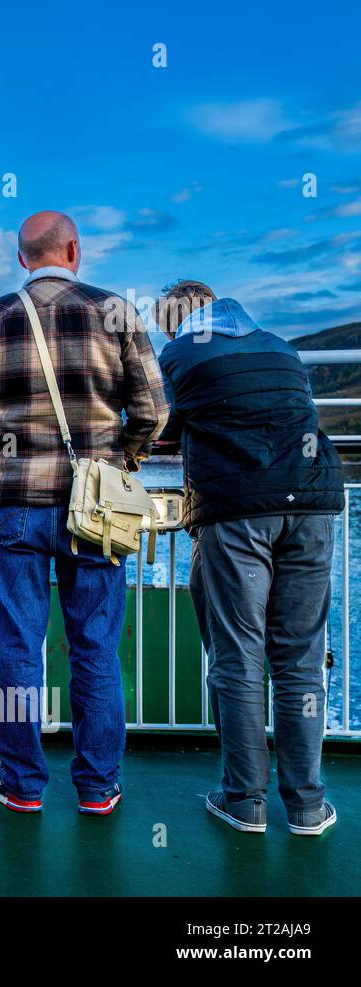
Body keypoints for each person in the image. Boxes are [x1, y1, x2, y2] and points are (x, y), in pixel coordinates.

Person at [0, 210, 168, 815]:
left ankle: (20, 784)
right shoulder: (115, 310)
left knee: (19, 647)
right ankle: (97, 789)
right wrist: (123, 462)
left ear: (22, 258)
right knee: (95, 648)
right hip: (94, 510)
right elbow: (152, 409)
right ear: (74, 250)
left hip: (10, 505)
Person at [154, 280, 343, 836]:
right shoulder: (281, 346)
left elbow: (161, 425)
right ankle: (307, 806)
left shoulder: (181, 354)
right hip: (312, 503)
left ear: (176, 322)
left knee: (238, 657)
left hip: (237, 510)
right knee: (300, 658)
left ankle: (245, 802)